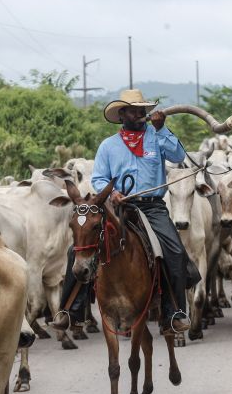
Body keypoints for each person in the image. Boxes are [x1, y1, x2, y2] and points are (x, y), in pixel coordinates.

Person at [53, 89, 199, 336]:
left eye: (142, 109)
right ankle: (71, 312)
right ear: (122, 115)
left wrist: (162, 129)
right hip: (118, 207)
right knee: (77, 249)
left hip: (152, 206)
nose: (139, 113)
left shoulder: (157, 137)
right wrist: (112, 194)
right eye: (133, 110)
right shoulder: (108, 146)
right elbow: (98, 178)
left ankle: (173, 313)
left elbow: (178, 156)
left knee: (174, 249)